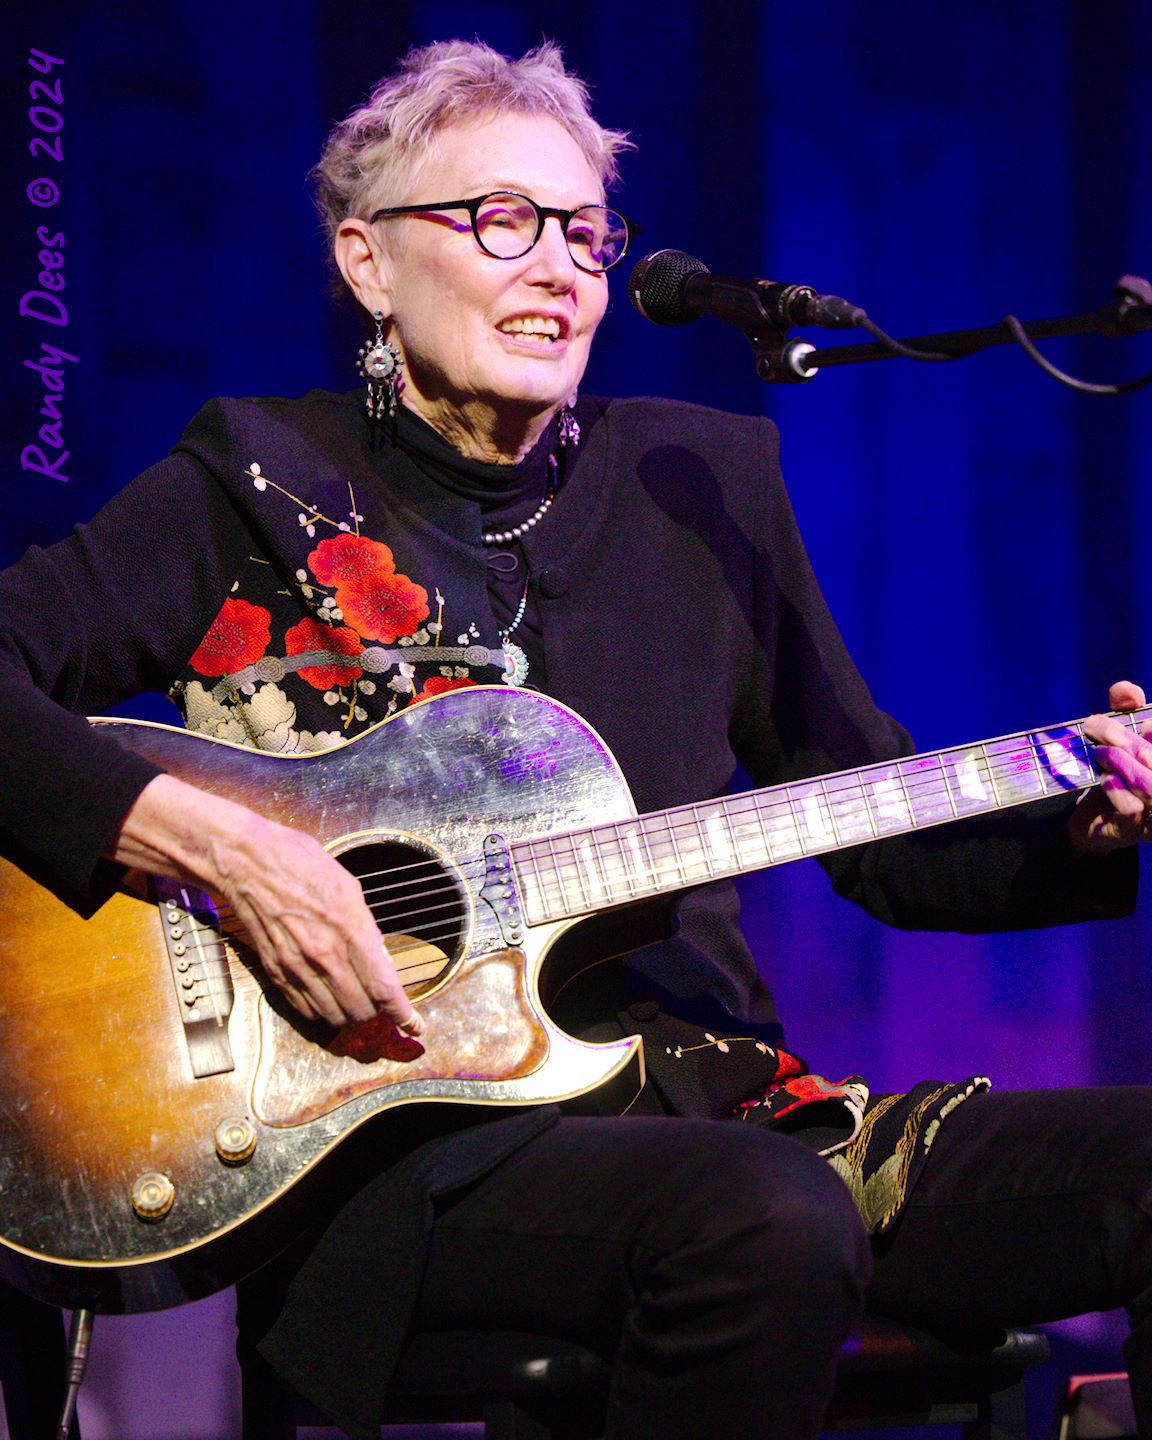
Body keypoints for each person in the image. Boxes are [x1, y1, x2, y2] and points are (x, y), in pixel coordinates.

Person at [3, 37, 1152, 1440]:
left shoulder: (701, 483)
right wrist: (213, 848)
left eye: (586, 233)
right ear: (367, 263)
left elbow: (881, 841)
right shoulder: (253, 483)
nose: (558, 267)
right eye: (499, 220)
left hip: (726, 1115)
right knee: (766, 1222)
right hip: (406, 1169)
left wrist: (1086, 815)